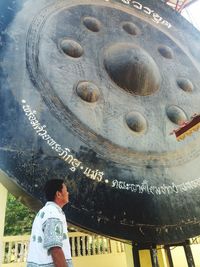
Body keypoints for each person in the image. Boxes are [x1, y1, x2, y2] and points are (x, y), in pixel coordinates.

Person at [27, 179, 73, 267]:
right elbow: (55, 249)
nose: (68, 193)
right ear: (58, 194)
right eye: (66, 190)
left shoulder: (47, 211)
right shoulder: (52, 213)